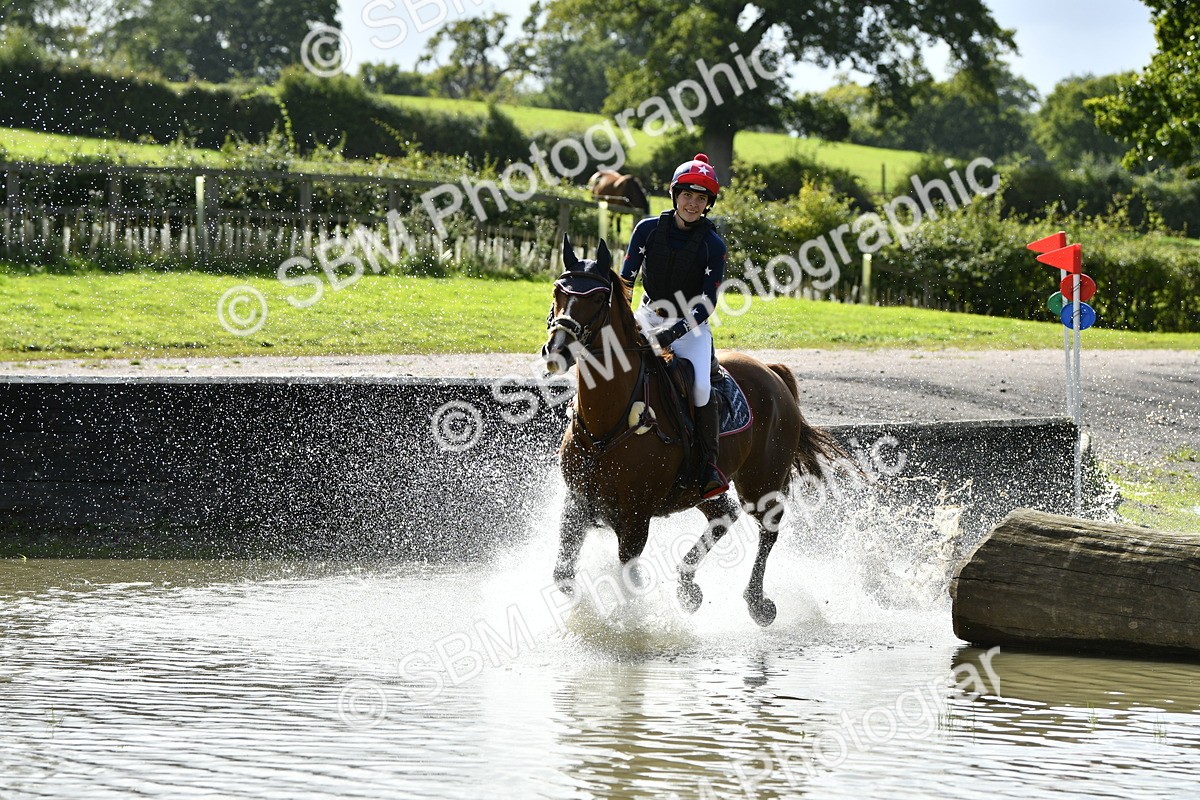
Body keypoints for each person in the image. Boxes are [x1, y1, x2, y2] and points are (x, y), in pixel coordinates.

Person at [620, 153, 728, 499]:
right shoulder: (647, 229)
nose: (692, 203)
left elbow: (707, 303)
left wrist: (673, 334)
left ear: (708, 204)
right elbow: (625, 282)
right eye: (687, 195)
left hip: (690, 327)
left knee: (699, 388)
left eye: (701, 198)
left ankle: (708, 465)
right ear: (674, 195)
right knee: (612, 362)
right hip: (647, 315)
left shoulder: (714, 245)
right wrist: (623, 324)